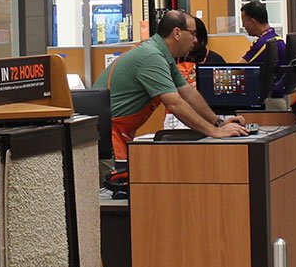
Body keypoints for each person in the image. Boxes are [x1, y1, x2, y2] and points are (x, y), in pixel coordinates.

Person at [97, 8, 251, 161]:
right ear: (177, 33)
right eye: (193, 33)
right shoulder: (152, 56)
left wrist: (218, 123)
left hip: (117, 130)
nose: (196, 40)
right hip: (105, 133)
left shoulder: (164, 56)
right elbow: (174, 104)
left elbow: (188, 93)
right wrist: (214, 132)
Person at [238, 0, 293, 96]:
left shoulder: (264, 43)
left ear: (252, 22)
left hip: (270, 99)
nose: (243, 26)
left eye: (244, 22)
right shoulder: (275, 39)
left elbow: (239, 67)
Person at [175, 15, 229, 83]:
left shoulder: (215, 60)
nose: (194, 40)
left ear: (202, 39)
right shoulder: (175, 58)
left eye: (195, 36)